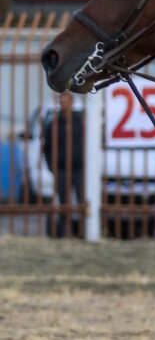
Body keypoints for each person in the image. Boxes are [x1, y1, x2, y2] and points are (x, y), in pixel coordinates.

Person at [41, 93, 85, 238]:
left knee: (82, 201)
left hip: (79, 168)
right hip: (60, 169)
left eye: (67, 101)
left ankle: (83, 232)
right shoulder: (54, 123)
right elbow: (46, 147)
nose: (64, 104)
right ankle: (65, 233)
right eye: (62, 102)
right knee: (64, 202)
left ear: (72, 103)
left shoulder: (80, 121)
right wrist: (51, 167)